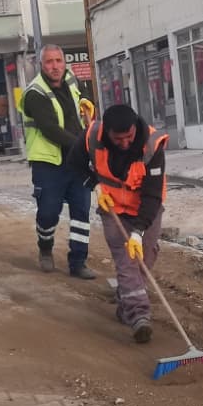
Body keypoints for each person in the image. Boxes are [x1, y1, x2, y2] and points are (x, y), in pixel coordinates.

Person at [84, 104, 167, 343]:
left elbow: (152, 195)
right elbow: (74, 165)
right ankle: (139, 315)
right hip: (113, 210)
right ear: (108, 133)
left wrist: (138, 232)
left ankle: (125, 302)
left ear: (135, 128)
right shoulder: (92, 136)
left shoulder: (152, 144)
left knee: (145, 257)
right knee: (126, 260)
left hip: (146, 208)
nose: (124, 143)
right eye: (118, 139)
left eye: (129, 137)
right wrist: (94, 184)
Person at [16, 43, 97, 279]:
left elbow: (83, 103)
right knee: (49, 212)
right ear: (41, 65)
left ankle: (78, 262)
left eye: (58, 61)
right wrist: (83, 146)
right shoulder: (34, 93)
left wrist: (87, 104)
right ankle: (45, 247)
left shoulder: (73, 81)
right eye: (49, 62)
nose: (55, 66)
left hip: (76, 163)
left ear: (64, 62)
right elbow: (51, 129)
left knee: (81, 212)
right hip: (49, 163)